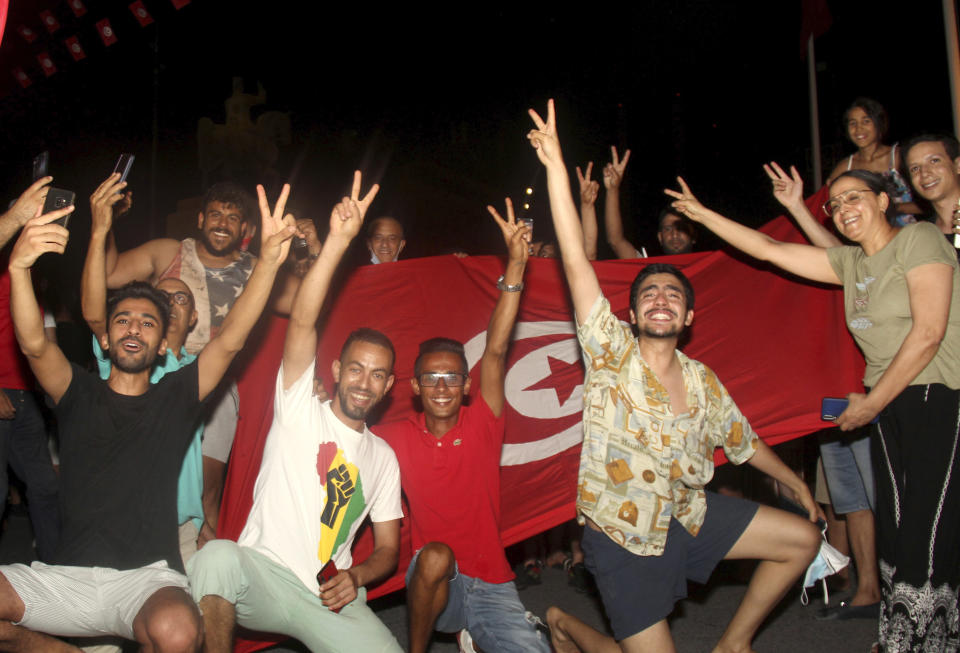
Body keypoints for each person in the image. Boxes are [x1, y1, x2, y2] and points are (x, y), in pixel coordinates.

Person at [527, 99, 821, 653]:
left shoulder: (703, 379)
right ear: (633, 315)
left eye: (673, 294)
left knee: (801, 539)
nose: (660, 298)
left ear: (687, 318)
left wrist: (795, 481)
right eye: (648, 294)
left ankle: (732, 644)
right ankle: (565, 624)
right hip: (623, 535)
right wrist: (553, 167)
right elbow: (573, 260)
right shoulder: (610, 351)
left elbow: (743, 441)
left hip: (688, 515)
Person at [665, 168, 960, 651]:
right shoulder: (853, 265)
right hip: (889, 407)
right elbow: (769, 251)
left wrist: (872, 404)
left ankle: (914, 643)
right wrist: (702, 214)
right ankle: (915, 638)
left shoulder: (919, 240)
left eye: (855, 198)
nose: (843, 210)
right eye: (836, 204)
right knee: (901, 532)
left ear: (884, 201)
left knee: (925, 538)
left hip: (934, 398)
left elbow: (928, 334)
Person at [0, 184, 296, 651]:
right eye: (122, 320)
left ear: (163, 345)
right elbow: (35, 344)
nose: (133, 326)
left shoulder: (176, 398)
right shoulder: (76, 391)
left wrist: (268, 262)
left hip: (146, 581)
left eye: (147, 321)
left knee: (179, 630)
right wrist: (18, 267)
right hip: (68, 579)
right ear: (105, 339)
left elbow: (231, 339)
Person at [187, 172, 405, 653]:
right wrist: (338, 244)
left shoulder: (384, 458)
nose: (363, 383)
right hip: (261, 578)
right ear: (336, 369)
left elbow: (388, 550)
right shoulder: (299, 408)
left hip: (327, 594)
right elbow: (304, 319)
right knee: (216, 559)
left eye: (376, 375)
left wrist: (356, 575)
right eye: (355, 369)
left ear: (389, 386)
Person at [376, 198, 549, 653]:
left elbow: (495, 347)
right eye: (430, 377)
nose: (441, 386)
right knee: (434, 555)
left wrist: (516, 265)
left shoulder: (483, 424)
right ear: (414, 386)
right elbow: (343, 432)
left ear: (467, 385)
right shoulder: (394, 436)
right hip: (438, 583)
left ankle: (534, 628)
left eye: (452, 376)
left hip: (493, 582)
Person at [102, 180, 284, 542]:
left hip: (217, 386)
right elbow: (109, 275)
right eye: (215, 213)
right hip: (157, 373)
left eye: (233, 218)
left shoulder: (257, 270)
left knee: (208, 483)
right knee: (145, 472)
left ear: (246, 229)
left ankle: (201, 571)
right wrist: (107, 223)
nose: (222, 222)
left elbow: (304, 304)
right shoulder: (168, 252)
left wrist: (307, 253)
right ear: (200, 219)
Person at [81, 172, 210, 559]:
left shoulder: (199, 375)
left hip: (182, 525)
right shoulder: (127, 359)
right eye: (163, 298)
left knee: (184, 617)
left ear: (193, 321)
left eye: (182, 300)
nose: (171, 305)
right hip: (124, 518)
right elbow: (93, 309)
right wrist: (101, 230)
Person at [0, 177, 60, 562]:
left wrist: (58, 391)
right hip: (1, 395)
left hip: (26, 399)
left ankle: (56, 569)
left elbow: (43, 340)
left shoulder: (32, 279)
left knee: (45, 486)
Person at [826, 97, 920, 222]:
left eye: (866, 121)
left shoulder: (899, 157)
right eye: (853, 123)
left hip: (907, 234)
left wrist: (888, 208)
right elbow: (832, 208)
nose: (859, 129)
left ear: (879, 124)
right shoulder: (844, 167)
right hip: (865, 237)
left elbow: (927, 203)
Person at [601, 146, 695, 258]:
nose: (674, 234)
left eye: (680, 228)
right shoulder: (650, 270)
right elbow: (615, 241)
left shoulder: (712, 267)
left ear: (693, 235)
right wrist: (613, 190)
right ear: (660, 237)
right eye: (668, 229)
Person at [902, 133, 960, 244]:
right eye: (915, 168)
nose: (924, 173)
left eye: (934, 161)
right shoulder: (923, 237)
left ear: (957, 165)